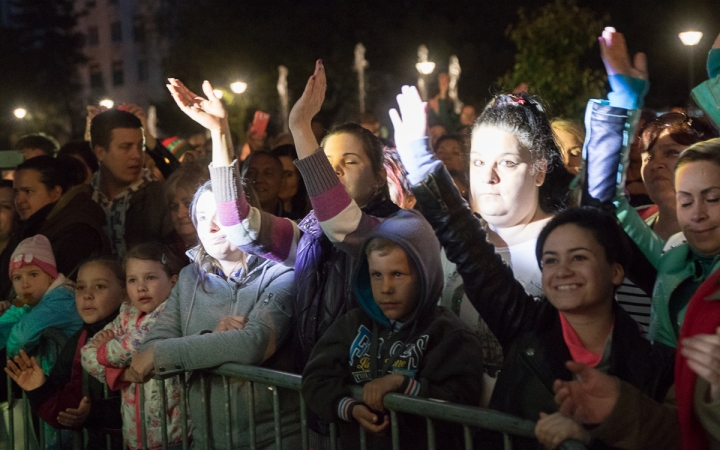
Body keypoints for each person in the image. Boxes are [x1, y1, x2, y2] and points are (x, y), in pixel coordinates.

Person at [390, 86, 652, 448]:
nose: (489, 177)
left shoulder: (566, 239)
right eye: (479, 162)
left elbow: (601, 199)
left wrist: (619, 109)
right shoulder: (440, 240)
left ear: (540, 169)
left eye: (508, 163)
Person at [166, 61, 400, 447]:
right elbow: (238, 226)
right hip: (328, 405)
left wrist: (300, 128)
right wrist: (220, 134)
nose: (334, 172)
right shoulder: (308, 234)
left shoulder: (397, 229)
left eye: (350, 162)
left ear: (379, 176)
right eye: (326, 163)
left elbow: (344, 225)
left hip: (380, 406)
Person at [127, 181, 300, 450]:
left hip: (275, 439)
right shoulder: (188, 279)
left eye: (221, 215)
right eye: (202, 217)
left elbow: (254, 343)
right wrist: (209, 338)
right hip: (207, 439)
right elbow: (150, 347)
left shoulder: (282, 271)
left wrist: (167, 355)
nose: (211, 227)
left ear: (247, 217)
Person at [302, 210, 484, 450]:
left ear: (424, 275)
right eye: (376, 275)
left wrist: (402, 384)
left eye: (397, 274)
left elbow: (462, 402)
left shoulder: (449, 335)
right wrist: (350, 408)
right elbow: (315, 379)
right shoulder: (352, 325)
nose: (386, 288)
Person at [6, 257, 126, 450]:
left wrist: (93, 413)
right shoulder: (82, 338)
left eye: (99, 287)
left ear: (124, 292)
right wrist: (39, 389)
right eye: (80, 287)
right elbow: (66, 414)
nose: (87, 295)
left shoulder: (133, 336)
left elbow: (144, 407)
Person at [81, 243, 184, 450]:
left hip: (173, 436)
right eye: (132, 280)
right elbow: (86, 353)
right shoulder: (127, 313)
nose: (141, 287)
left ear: (174, 281)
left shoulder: (171, 312)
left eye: (151, 278)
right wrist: (124, 375)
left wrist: (104, 350)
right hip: (135, 436)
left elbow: (132, 346)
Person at [0, 156, 109, 299]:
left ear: (55, 193)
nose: (19, 200)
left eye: (28, 191)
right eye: (17, 192)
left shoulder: (77, 231)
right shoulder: (37, 225)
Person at [89, 109, 174, 258]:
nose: (136, 155)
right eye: (125, 147)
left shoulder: (158, 198)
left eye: (140, 146)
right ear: (100, 152)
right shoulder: (85, 196)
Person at [0, 235, 82, 371]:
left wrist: (11, 355)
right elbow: (11, 318)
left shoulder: (61, 300)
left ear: (50, 277)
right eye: (17, 277)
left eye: (33, 275)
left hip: (71, 381)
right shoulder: (29, 299)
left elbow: (21, 337)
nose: (25, 284)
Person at [163, 163, 209, 265]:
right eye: (174, 207)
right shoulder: (165, 252)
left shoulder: (225, 248)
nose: (180, 214)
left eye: (188, 204)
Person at [272, 144, 311, 221]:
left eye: (288, 175)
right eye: (277, 173)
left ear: (300, 177)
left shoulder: (311, 214)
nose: (282, 181)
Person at [240, 151, 285, 216]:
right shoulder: (229, 222)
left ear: (281, 182)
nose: (259, 179)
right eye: (251, 173)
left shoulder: (295, 224)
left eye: (268, 173)